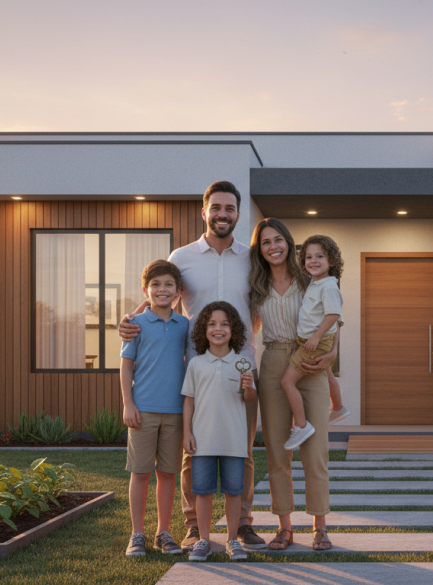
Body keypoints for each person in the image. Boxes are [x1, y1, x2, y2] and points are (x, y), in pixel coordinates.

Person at [119, 180, 266, 552]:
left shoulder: (252, 259)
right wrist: (131, 320)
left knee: (243, 447)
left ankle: (243, 524)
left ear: (237, 214)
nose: (222, 214)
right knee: (192, 448)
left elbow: (263, 305)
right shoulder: (182, 256)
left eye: (229, 208)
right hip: (195, 368)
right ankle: (189, 525)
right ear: (204, 212)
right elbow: (160, 294)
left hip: (241, 365)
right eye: (216, 207)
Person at [248, 218, 334, 551]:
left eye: (278, 240)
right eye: (266, 242)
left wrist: (332, 354)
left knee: (315, 451)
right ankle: (284, 527)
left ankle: (320, 526)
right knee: (278, 452)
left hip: (309, 363)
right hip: (272, 363)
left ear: (289, 243)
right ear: (260, 249)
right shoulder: (254, 285)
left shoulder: (309, 279)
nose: (273, 247)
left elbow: (333, 318)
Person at [119, 260, 187, 557]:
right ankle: (137, 534)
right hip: (142, 410)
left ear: (178, 291)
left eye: (168, 284)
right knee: (141, 472)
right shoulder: (135, 324)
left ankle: (163, 532)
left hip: (175, 412)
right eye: (156, 284)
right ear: (145, 290)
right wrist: (128, 404)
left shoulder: (184, 325)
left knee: (168, 474)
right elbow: (126, 365)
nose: (162, 289)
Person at [182, 301, 257, 561]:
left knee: (233, 491)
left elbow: (248, 399)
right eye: (212, 324)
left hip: (233, 440)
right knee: (202, 491)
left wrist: (249, 387)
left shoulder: (243, 363)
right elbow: (188, 401)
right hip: (202, 439)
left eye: (224, 324)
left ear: (233, 330)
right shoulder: (196, 364)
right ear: (203, 329)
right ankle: (203, 540)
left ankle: (232, 540)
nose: (218, 329)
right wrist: (187, 433)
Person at [279, 235, 345, 450]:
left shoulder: (327, 287)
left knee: (287, 382)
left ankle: (301, 425)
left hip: (313, 343)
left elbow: (334, 315)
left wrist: (316, 337)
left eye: (320, 256)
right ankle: (339, 407)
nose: (313, 260)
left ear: (331, 261)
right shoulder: (316, 284)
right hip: (313, 341)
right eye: (308, 257)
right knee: (327, 372)